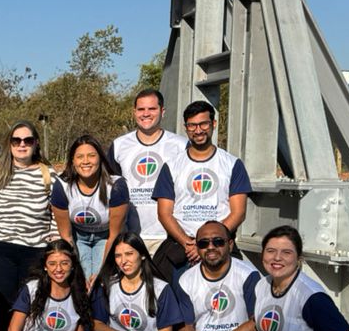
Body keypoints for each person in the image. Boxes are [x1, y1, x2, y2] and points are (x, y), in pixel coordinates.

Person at [0, 120, 56, 331]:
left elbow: (58, 210)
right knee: (2, 303)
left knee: (29, 305)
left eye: (28, 140)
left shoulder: (48, 174)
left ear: (36, 143)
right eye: (16, 140)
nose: (22, 145)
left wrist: (53, 238)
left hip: (35, 250)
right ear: (9, 143)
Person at [154, 100, 251, 267]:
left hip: (219, 247)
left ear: (214, 124)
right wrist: (188, 244)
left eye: (203, 124)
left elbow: (238, 212)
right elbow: (164, 213)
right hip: (182, 248)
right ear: (186, 128)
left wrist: (208, 243)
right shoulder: (171, 166)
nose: (198, 130)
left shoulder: (232, 164)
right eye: (192, 125)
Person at [106, 88, 187, 276]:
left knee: (165, 290)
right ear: (134, 112)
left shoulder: (180, 145)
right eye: (141, 109)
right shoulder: (119, 145)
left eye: (152, 109)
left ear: (162, 111)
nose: (146, 114)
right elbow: (109, 189)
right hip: (131, 238)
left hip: (168, 238)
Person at [52, 134, 130, 281]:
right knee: (82, 279)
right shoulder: (62, 186)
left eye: (92, 156)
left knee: (101, 281)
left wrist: (101, 273)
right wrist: (78, 273)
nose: (86, 161)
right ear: (73, 161)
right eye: (80, 157)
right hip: (77, 237)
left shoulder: (116, 186)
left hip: (106, 237)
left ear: (100, 158)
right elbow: (66, 236)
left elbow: (114, 235)